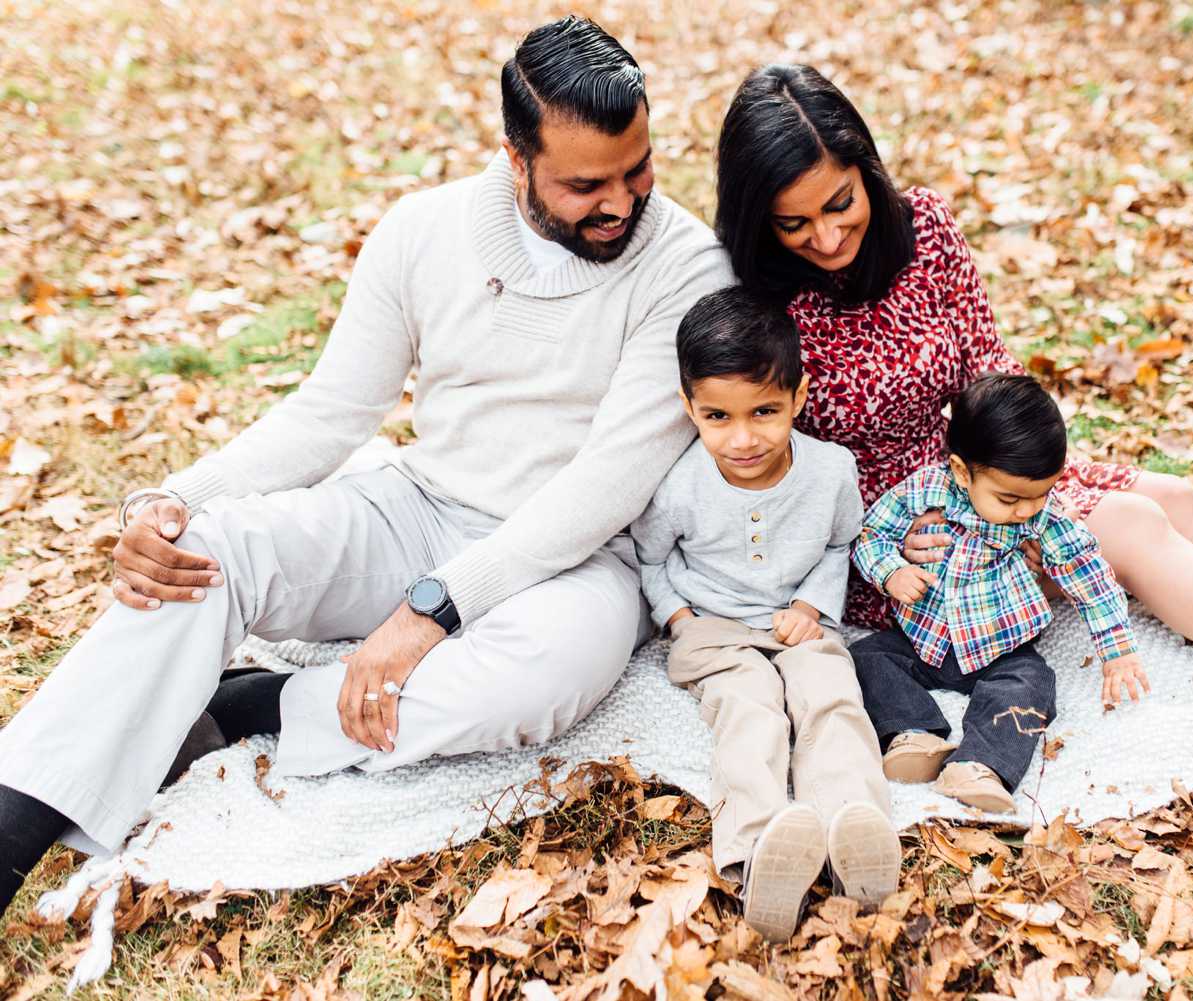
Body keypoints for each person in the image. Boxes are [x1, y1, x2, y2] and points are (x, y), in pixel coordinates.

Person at [0, 16, 734, 915]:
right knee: (211, 552)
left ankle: (258, 708)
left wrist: (434, 609)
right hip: (420, 506)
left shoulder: (686, 264)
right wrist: (173, 499)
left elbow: (605, 484)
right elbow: (330, 413)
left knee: (545, 677)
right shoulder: (424, 230)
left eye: (640, 168)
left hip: (579, 561)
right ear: (516, 158)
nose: (623, 201)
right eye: (587, 184)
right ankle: (13, 823)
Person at [712, 63, 1193, 737]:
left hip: (983, 458)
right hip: (898, 537)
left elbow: (988, 365)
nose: (823, 236)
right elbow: (761, 455)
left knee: (1174, 498)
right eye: (794, 223)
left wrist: (1029, 455)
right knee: (1129, 526)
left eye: (840, 203)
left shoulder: (925, 231)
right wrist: (886, 537)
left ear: (867, 172)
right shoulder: (762, 308)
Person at [631, 287, 899, 942]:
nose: (743, 437)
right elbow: (649, 560)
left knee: (831, 700)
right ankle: (757, 853)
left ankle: (855, 830)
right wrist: (678, 618)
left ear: (799, 399)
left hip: (800, 619)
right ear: (688, 406)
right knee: (750, 709)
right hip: (715, 630)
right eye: (718, 416)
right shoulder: (680, 484)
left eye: (766, 412)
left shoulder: (832, 472)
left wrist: (812, 605)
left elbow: (841, 543)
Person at [852, 373, 1149, 813]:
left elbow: (1086, 571)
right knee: (865, 659)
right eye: (1010, 499)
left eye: (1042, 493)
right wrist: (892, 571)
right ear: (960, 471)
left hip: (1001, 646)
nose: (1026, 509)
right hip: (924, 640)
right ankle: (913, 733)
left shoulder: (1041, 515)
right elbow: (870, 535)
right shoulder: (923, 490)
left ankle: (982, 765)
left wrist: (1117, 649)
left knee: (1032, 684)